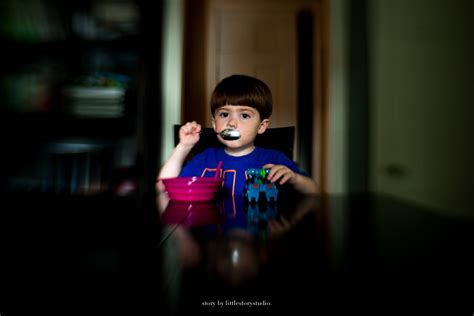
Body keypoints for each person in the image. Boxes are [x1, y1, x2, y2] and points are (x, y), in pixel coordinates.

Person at [157, 74, 319, 197]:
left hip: (259, 234)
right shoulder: (204, 159)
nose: (232, 123)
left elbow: (314, 190)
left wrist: (294, 179)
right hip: (214, 235)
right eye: (224, 114)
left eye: (244, 116)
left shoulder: (275, 159)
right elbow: (162, 187)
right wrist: (184, 146)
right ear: (214, 124)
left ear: (261, 126)